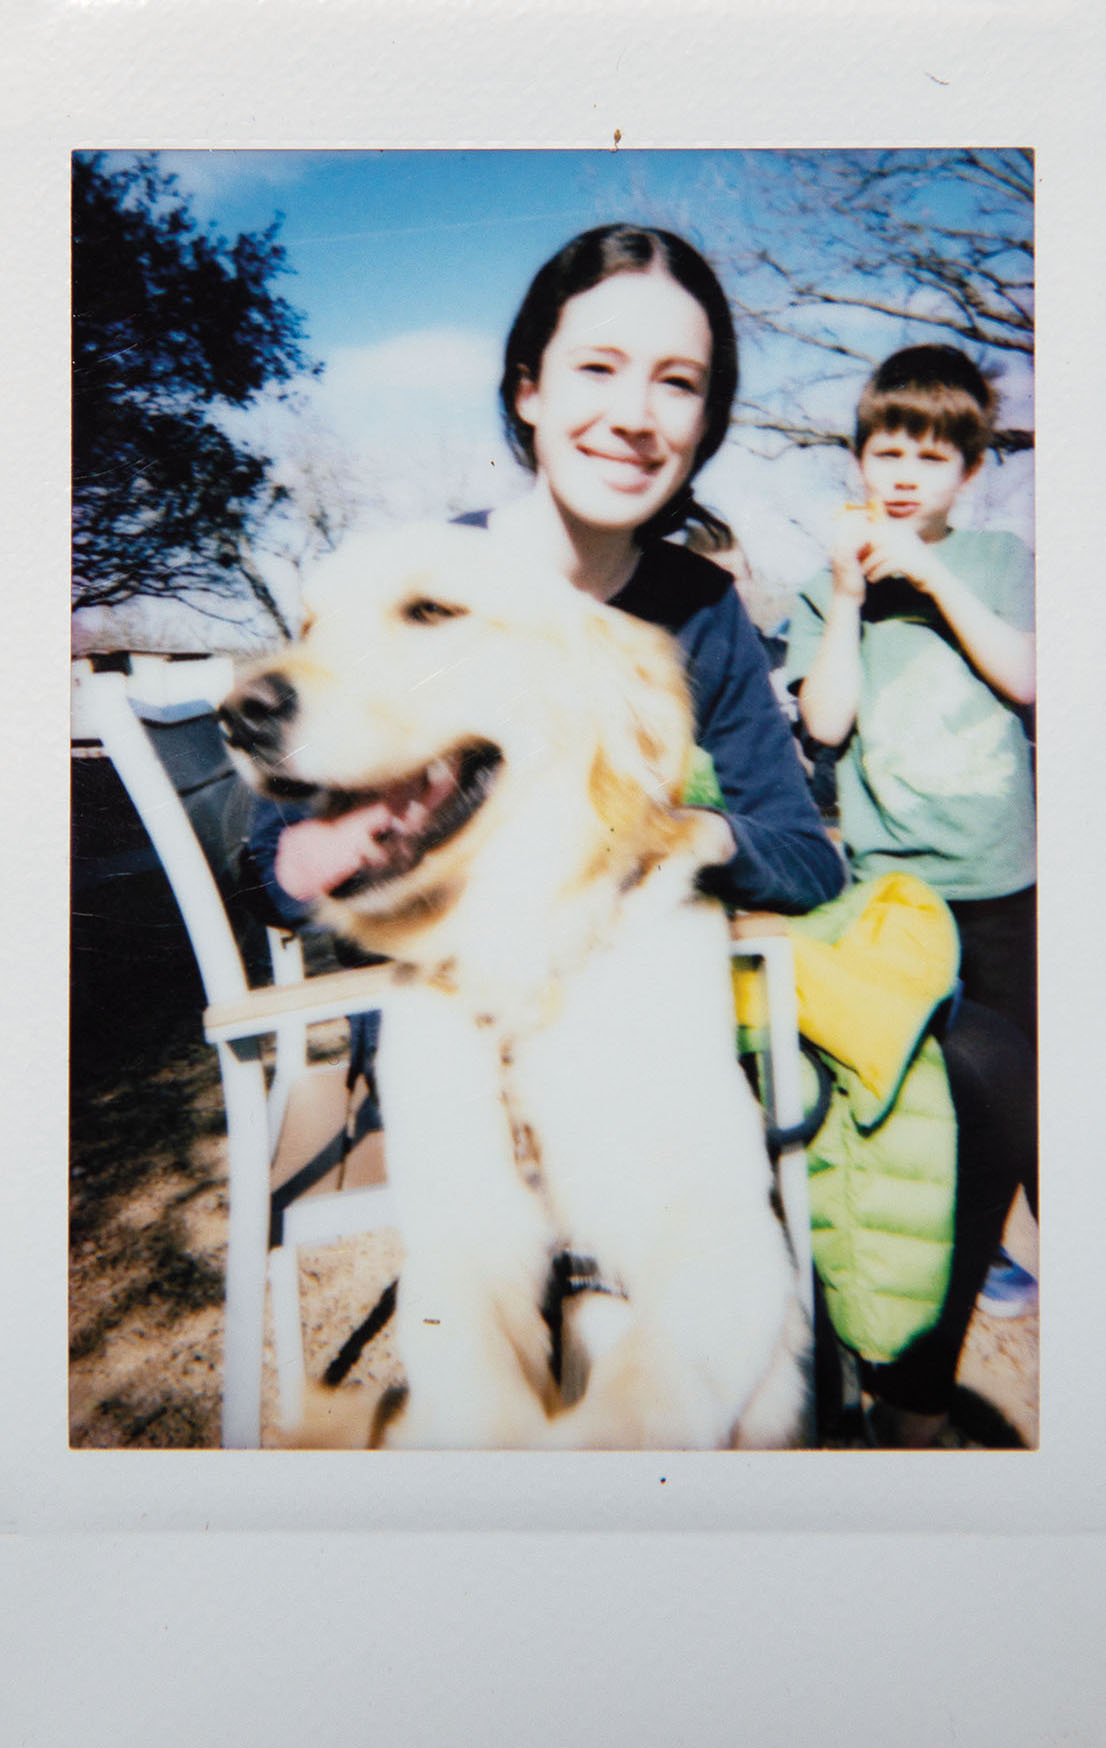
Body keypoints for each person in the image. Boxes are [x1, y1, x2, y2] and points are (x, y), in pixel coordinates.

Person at [786, 344, 1039, 1416]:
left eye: (930, 457)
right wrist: (847, 597)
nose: (903, 475)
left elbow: (1034, 680)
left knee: (1025, 1092)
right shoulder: (818, 587)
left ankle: (989, 1238)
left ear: (967, 471)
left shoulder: (996, 558)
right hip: (898, 902)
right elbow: (823, 722)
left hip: (1004, 880)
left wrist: (928, 574)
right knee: (925, 1100)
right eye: (885, 451)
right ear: (856, 460)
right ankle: (940, 1285)